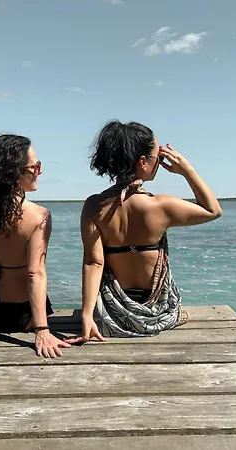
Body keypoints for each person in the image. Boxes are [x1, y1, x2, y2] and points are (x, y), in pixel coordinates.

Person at [66, 120, 222, 344]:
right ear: (142, 162)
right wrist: (187, 170)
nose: (160, 161)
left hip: (113, 313)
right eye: (158, 156)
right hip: (156, 313)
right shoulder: (160, 206)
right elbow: (213, 210)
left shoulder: (94, 206)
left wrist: (87, 317)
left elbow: (94, 263)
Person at [0, 134, 70, 358]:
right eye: (35, 166)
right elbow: (35, 274)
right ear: (15, 171)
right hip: (24, 316)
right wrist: (42, 330)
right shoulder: (39, 216)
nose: (39, 172)